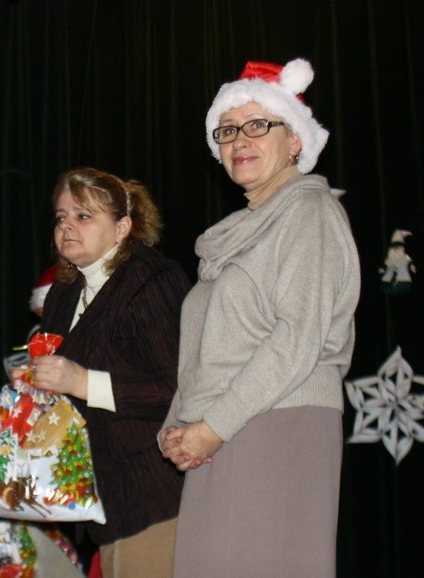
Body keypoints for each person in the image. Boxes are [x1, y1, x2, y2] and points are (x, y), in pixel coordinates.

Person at [159, 59, 360, 577]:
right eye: (227, 131)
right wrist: (178, 423)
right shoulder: (236, 234)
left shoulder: (307, 212)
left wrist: (211, 427)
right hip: (226, 430)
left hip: (279, 427)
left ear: (294, 140)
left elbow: (296, 339)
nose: (239, 141)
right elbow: (209, 347)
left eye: (257, 124)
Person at [27, 167, 191, 578]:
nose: (67, 226)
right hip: (101, 496)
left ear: (122, 227)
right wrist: (35, 384)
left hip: (154, 493)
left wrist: (80, 381)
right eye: (61, 217)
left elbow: (176, 389)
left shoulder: (152, 280)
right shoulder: (65, 291)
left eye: (83, 216)